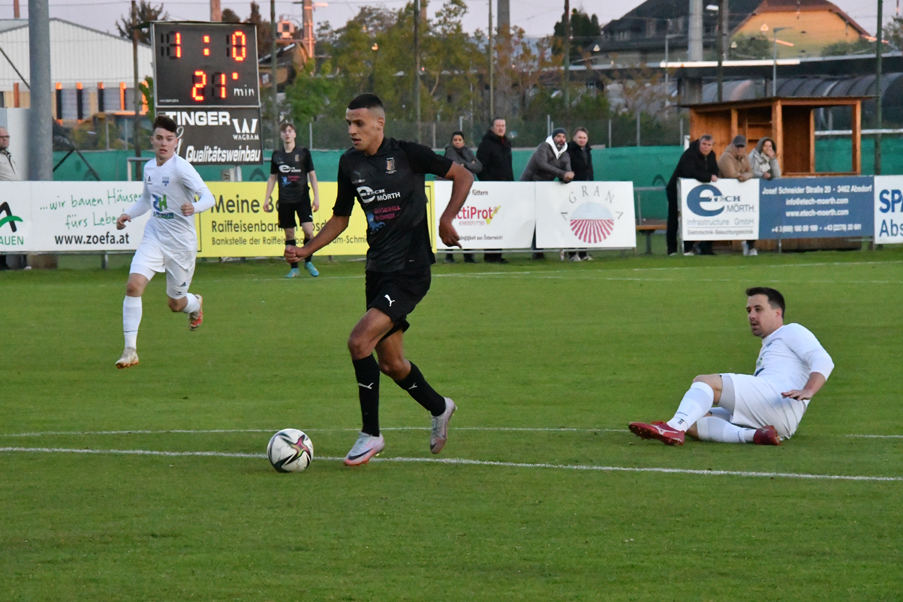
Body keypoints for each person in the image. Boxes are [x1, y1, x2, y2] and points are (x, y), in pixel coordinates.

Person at [284, 93, 474, 466]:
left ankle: (371, 434)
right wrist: (307, 249)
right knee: (391, 363)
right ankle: (440, 407)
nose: (352, 131)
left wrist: (446, 219)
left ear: (379, 123)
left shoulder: (409, 154)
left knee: (359, 342)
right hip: (377, 271)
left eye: (359, 123)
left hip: (411, 270)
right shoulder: (349, 163)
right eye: (348, 124)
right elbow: (341, 218)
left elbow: (463, 175)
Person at [628, 287, 834, 446]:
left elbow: (824, 360)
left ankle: (673, 428)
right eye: (749, 310)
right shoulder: (770, 344)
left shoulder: (792, 330)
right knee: (693, 421)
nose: (751, 315)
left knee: (705, 382)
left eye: (758, 309)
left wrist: (809, 390)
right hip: (779, 418)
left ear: (777, 313)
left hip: (777, 399)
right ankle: (755, 435)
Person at [113, 115, 215, 369]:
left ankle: (195, 304)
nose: (163, 143)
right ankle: (130, 350)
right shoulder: (149, 168)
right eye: (159, 138)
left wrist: (194, 207)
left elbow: (209, 197)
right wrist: (129, 214)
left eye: (169, 139)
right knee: (133, 286)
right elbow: (147, 200)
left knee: (176, 304)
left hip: (181, 245)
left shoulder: (181, 168)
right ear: (152, 140)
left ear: (175, 142)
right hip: (155, 237)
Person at [264, 122, 321, 277]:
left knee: (308, 231)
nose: (287, 134)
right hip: (285, 200)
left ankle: (308, 260)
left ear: (294, 134)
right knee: (289, 234)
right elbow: (272, 177)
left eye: (290, 131)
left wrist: (316, 197)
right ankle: (294, 268)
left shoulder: (303, 153)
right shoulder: (277, 155)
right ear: (281, 135)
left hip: (302, 198)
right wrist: (267, 198)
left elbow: (312, 175)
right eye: (284, 131)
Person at [520, 127, 574, 260]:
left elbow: (567, 171)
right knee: (528, 218)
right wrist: (563, 173)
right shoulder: (544, 147)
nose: (561, 139)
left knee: (543, 218)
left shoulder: (565, 154)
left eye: (563, 137)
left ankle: (539, 250)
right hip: (528, 186)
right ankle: (534, 249)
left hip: (543, 189)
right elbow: (542, 164)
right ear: (553, 138)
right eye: (558, 136)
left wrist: (568, 177)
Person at [665, 134, 718, 256]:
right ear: (699, 143)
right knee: (674, 219)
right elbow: (690, 172)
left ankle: (689, 248)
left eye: (709, 145)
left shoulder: (712, 155)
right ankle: (672, 250)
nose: (706, 147)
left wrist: (712, 175)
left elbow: (715, 170)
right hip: (676, 190)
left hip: (694, 192)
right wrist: (708, 177)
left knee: (693, 218)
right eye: (704, 144)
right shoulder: (689, 154)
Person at [476, 117, 513, 264]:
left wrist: (510, 184)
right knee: (491, 221)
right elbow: (480, 167)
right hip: (492, 190)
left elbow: (508, 167)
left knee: (501, 221)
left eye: (503, 125)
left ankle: (498, 253)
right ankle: (490, 254)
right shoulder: (486, 145)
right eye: (498, 125)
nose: (501, 128)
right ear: (492, 128)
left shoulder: (506, 144)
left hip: (505, 188)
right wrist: (489, 184)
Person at [443, 130, 481, 264]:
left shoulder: (468, 151)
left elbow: (478, 167)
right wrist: (468, 165)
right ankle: (449, 254)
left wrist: (465, 165)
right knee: (451, 221)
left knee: (469, 223)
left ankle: (468, 254)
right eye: (455, 140)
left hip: (467, 191)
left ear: (463, 141)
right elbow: (456, 168)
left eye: (460, 140)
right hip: (452, 190)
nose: (457, 142)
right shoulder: (449, 152)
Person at [718, 135, 756, 257]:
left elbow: (751, 172)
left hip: (740, 194)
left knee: (749, 218)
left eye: (742, 146)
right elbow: (731, 175)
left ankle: (750, 245)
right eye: (737, 146)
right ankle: (703, 245)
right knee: (718, 222)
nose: (740, 149)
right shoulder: (726, 157)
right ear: (732, 146)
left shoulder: (745, 156)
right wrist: (744, 176)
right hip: (724, 195)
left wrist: (743, 176)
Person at [744, 137, 782, 256]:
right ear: (761, 146)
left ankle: (752, 244)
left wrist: (773, 159)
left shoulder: (770, 158)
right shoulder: (752, 156)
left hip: (766, 193)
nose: (768, 148)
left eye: (770, 146)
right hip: (752, 191)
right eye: (765, 146)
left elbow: (777, 175)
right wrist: (761, 175)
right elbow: (749, 171)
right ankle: (750, 245)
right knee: (752, 218)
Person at [565, 127, 594, 261]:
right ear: (574, 138)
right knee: (573, 221)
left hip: (586, 191)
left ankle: (583, 253)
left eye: (584, 138)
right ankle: (572, 253)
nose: (582, 140)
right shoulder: (568, 151)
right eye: (580, 137)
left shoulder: (588, 152)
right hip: (573, 191)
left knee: (584, 222)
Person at [0, 126, 21, 270]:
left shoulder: (8, 157)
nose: (5, 139)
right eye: (2, 137)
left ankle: (4, 262)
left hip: (12, 199)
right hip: (2, 198)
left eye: (6, 137)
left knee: (7, 230)